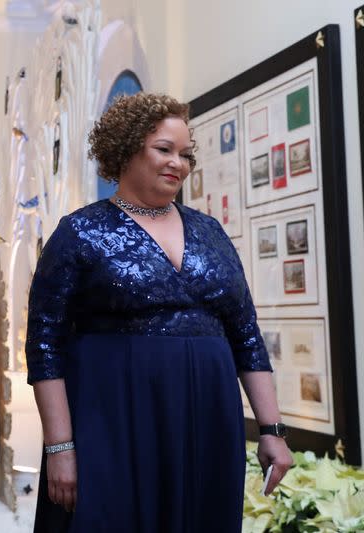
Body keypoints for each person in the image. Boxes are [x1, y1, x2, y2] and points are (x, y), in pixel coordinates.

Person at [26, 92, 292, 532]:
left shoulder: (210, 230)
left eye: (185, 154)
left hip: (208, 418)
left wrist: (272, 429)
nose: (179, 164)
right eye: (164, 150)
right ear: (126, 148)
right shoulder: (80, 232)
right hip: (112, 419)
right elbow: (44, 345)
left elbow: (245, 333)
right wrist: (60, 447)